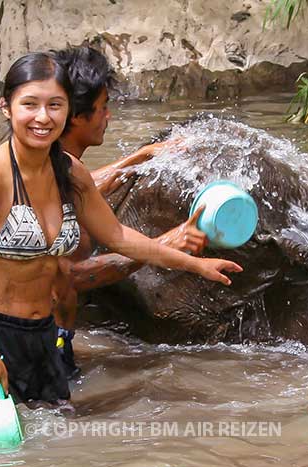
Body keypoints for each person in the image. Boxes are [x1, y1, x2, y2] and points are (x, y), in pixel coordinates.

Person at [0, 51, 242, 425]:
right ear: (7, 107)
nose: (43, 117)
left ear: (67, 110)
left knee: (56, 451)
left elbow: (118, 235)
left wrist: (195, 264)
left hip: (41, 336)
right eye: (30, 104)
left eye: (55, 105)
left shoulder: (70, 172)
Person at [50, 46, 208, 377]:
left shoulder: (56, 166)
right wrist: (168, 243)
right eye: (103, 108)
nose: (109, 116)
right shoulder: (47, 177)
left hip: (54, 337)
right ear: (77, 117)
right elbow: (71, 276)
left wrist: (141, 158)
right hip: (40, 345)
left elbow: (81, 187)